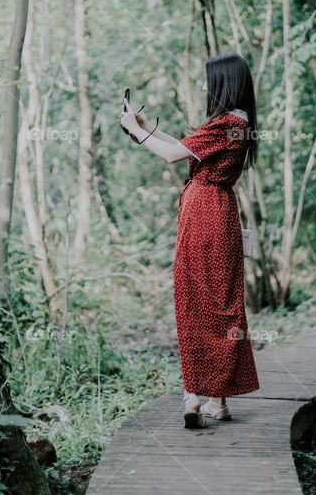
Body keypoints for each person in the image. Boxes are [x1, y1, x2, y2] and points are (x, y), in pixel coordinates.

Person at [119, 52, 261, 428]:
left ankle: (193, 396)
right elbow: (183, 147)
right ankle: (217, 400)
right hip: (222, 212)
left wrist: (134, 131)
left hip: (202, 212)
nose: (203, 86)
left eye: (208, 81)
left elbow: (169, 155)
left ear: (224, 84)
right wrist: (145, 125)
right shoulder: (238, 124)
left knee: (194, 299)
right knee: (221, 302)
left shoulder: (226, 124)